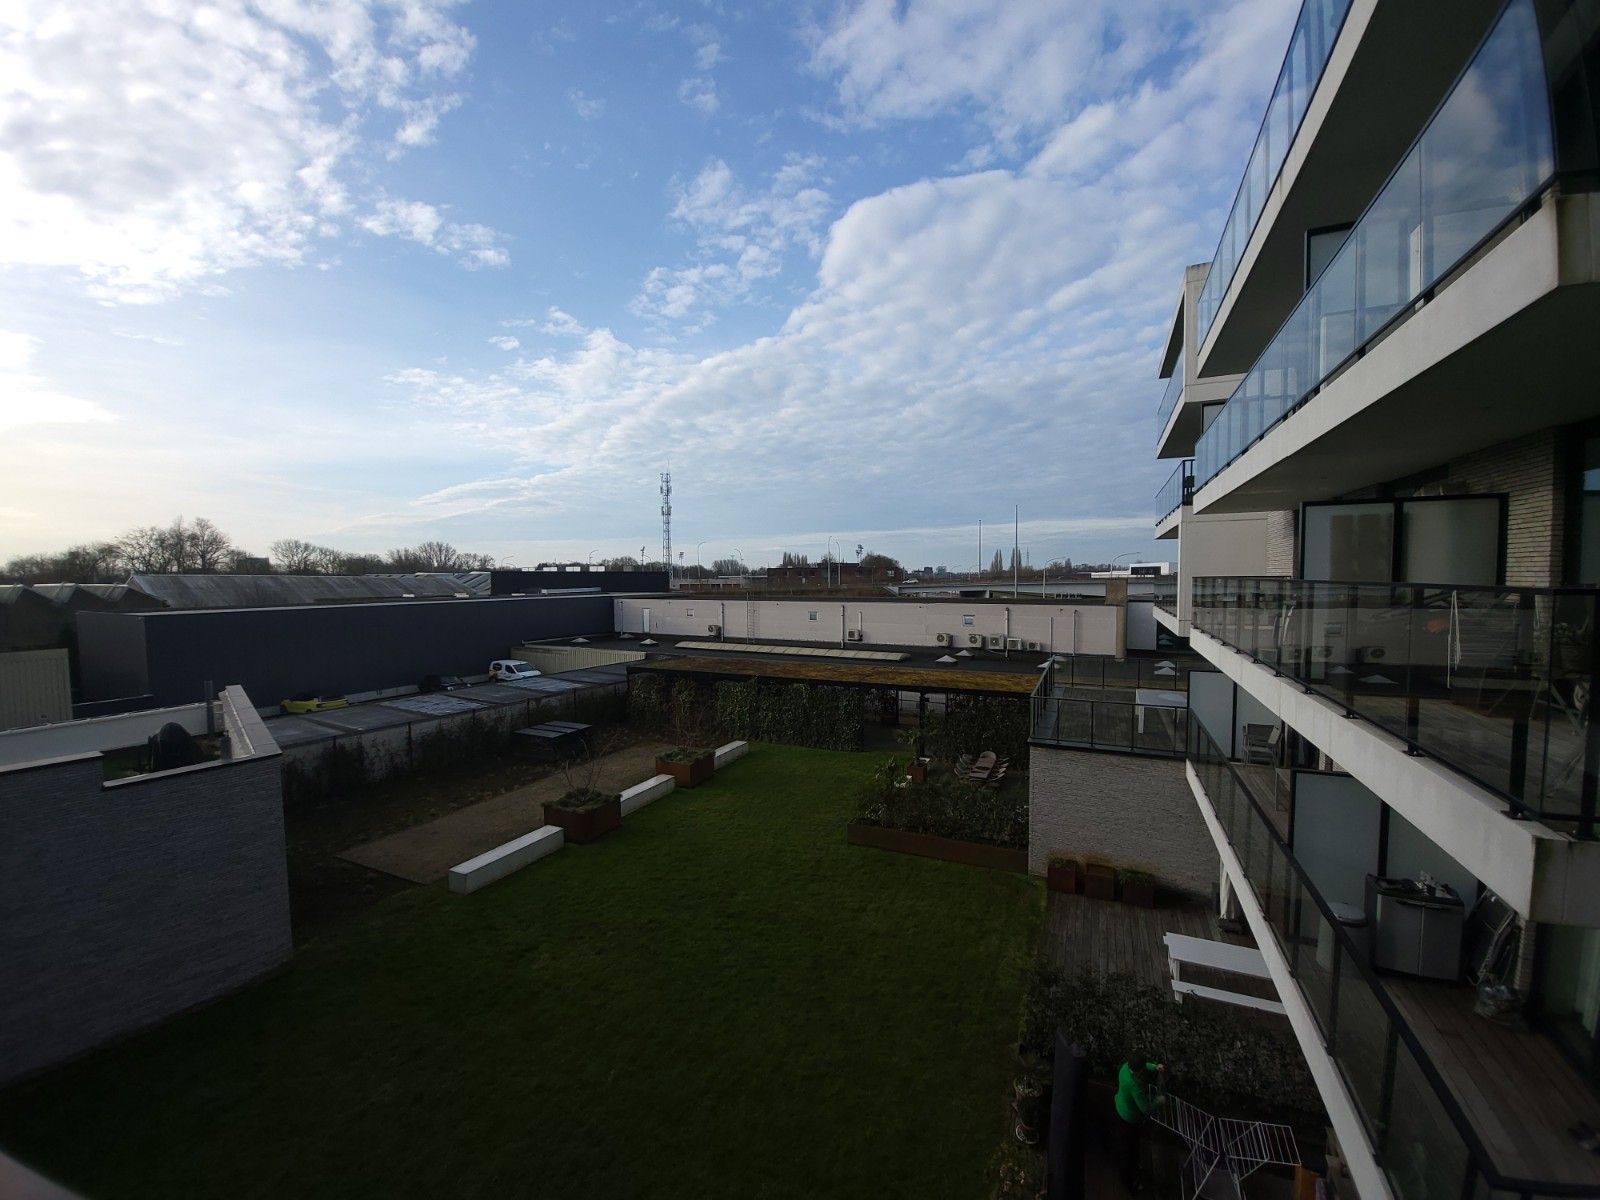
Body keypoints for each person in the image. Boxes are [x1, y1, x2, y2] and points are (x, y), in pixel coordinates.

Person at [1112, 1056, 1164, 1191]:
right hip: (1128, 1119)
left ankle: (1132, 1167)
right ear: (1137, 1071)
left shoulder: (1125, 1068)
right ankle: (1129, 1182)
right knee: (1129, 1150)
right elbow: (1145, 1108)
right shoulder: (1134, 1086)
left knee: (1126, 1144)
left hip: (1119, 1107)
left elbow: (1142, 1064)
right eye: (1141, 1071)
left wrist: (1154, 1066)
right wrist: (1158, 1101)